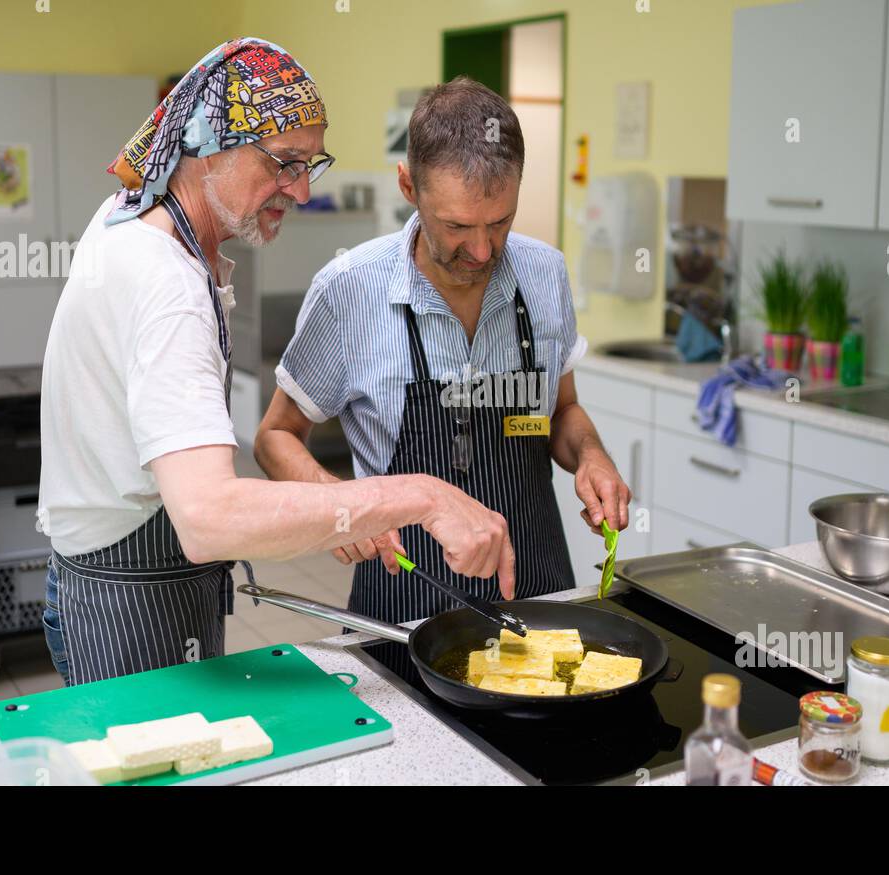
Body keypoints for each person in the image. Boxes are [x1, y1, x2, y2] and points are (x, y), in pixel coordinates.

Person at [36, 41, 513, 686]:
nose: (304, 189)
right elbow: (207, 519)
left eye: (311, 163)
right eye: (284, 163)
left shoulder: (136, 216)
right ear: (207, 146)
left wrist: (345, 506)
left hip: (143, 575)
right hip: (127, 597)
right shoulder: (166, 286)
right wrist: (421, 496)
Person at [254, 77, 631, 625]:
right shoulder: (350, 289)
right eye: (457, 225)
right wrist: (341, 507)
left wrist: (592, 455)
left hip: (539, 596)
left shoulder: (544, 273)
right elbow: (275, 436)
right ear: (409, 186)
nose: (481, 250)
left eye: (500, 222)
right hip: (405, 604)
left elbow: (560, 412)